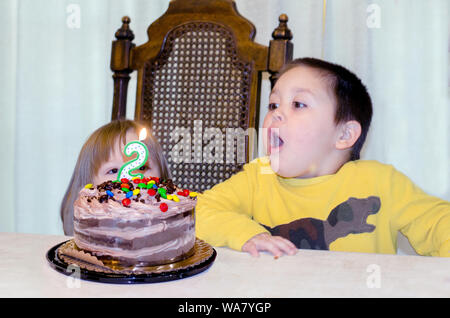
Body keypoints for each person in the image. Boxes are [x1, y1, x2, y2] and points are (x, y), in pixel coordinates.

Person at [196, 57, 450, 258]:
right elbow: (198, 212)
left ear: (344, 134)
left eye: (298, 104)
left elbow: (439, 223)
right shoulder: (257, 176)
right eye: (273, 105)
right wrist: (246, 234)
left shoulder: (381, 181)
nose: (276, 114)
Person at [60, 119, 170, 235]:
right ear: (88, 185)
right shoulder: (89, 233)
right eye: (113, 170)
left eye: (142, 168)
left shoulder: (175, 224)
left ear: (162, 176)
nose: (129, 180)